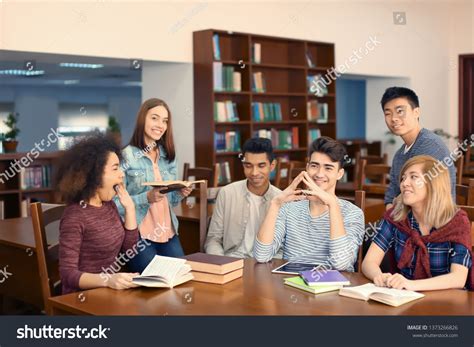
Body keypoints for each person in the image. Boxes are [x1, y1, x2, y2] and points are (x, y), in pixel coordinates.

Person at [362, 155, 473, 291]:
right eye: (403, 178)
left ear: (433, 183)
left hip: (447, 301)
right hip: (404, 299)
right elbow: (369, 262)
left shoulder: (457, 222)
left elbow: (458, 278)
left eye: (413, 177)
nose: (404, 183)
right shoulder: (396, 216)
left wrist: (411, 285)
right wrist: (379, 276)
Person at [254, 136, 365, 271]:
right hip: (292, 285)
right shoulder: (288, 208)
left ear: (339, 173)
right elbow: (261, 256)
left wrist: (333, 205)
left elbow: (340, 264)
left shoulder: (353, 213)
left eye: (328, 168)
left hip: (333, 287)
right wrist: (275, 203)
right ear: (307, 167)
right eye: (314, 166)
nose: (319, 174)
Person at [58, 134, 141, 294]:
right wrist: (107, 280)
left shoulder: (109, 205)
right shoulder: (75, 216)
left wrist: (130, 210)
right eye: (115, 168)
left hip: (107, 291)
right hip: (81, 298)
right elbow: (67, 274)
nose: (122, 174)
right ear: (94, 174)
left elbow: (129, 250)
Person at [116, 98, 191, 267]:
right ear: (143, 119)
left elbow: (170, 201)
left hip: (168, 231)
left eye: (165, 121)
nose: (160, 125)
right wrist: (146, 198)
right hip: (138, 234)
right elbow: (114, 204)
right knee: (154, 285)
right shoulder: (126, 156)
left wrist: (179, 193)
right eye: (154, 118)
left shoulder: (169, 155)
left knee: (181, 278)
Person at [204, 138, 281, 258]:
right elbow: (213, 239)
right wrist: (222, 262)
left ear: (272, 166)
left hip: (265, 264)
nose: (254, 173)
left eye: (261, 166)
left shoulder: (280, 200)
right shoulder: (227, 193)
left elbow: (282, 248)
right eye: (248, 166)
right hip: (231, 262)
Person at [381, 87, 456, 209]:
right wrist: (394, 206)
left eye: (400, 111)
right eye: (388, 113)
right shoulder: (399, 154)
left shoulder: (430, 145)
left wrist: (397, 203)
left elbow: (415, 194)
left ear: (416, 112)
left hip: (434, 221)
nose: (394, 118)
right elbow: (390, 198)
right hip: (405, 221)